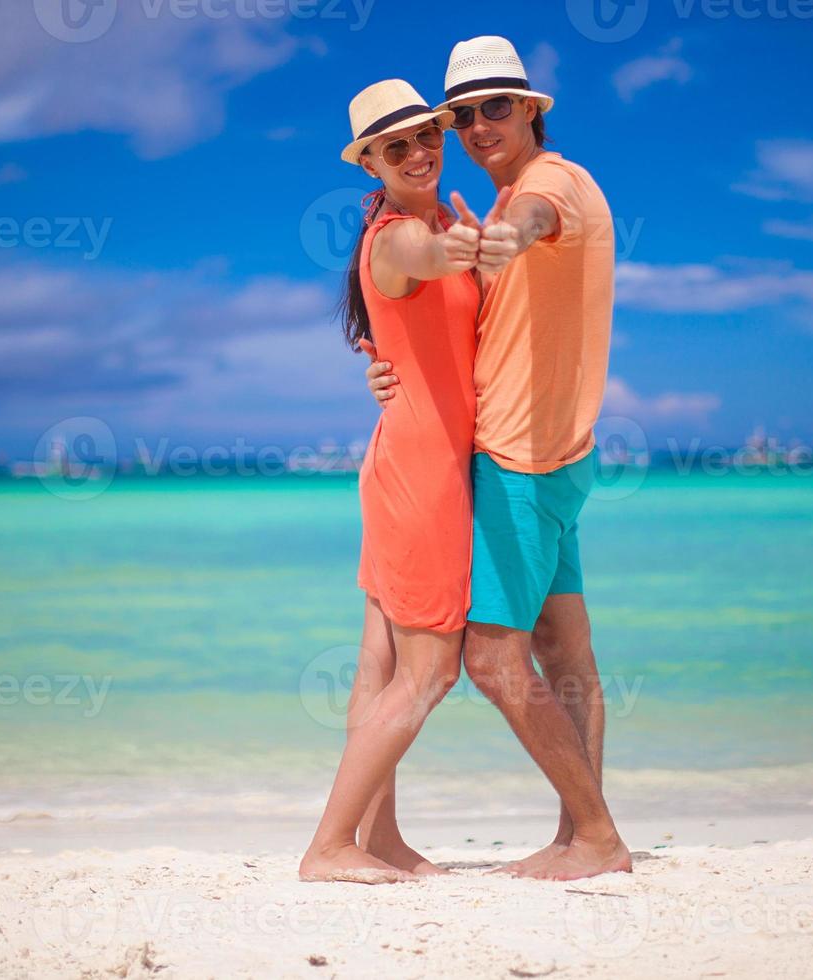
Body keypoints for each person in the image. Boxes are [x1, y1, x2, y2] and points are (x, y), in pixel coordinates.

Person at [365, 36, 631, 880]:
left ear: (529, 110)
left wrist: (507, 238)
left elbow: (535, 223)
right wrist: (391, 370)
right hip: (561, 455)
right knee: (565, 650)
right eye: (462, 113)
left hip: (519, 459)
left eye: (495, 107)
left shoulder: (543, 191)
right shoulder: (497, 203)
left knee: (489, 658)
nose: (476, 125)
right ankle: (577, 834)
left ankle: (593, 835)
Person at [299, 79, 496, 883]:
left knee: (377, 669)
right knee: (429, 671)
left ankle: (375, 839)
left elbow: (413, 335)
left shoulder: (438, 220)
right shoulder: (401, 236)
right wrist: (461, 249)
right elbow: (421, 262)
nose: (419, 151)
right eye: (396, 146)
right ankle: (328, 847)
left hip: (410, 462)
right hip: (420, 478)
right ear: (372, 165)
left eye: (427, 135)